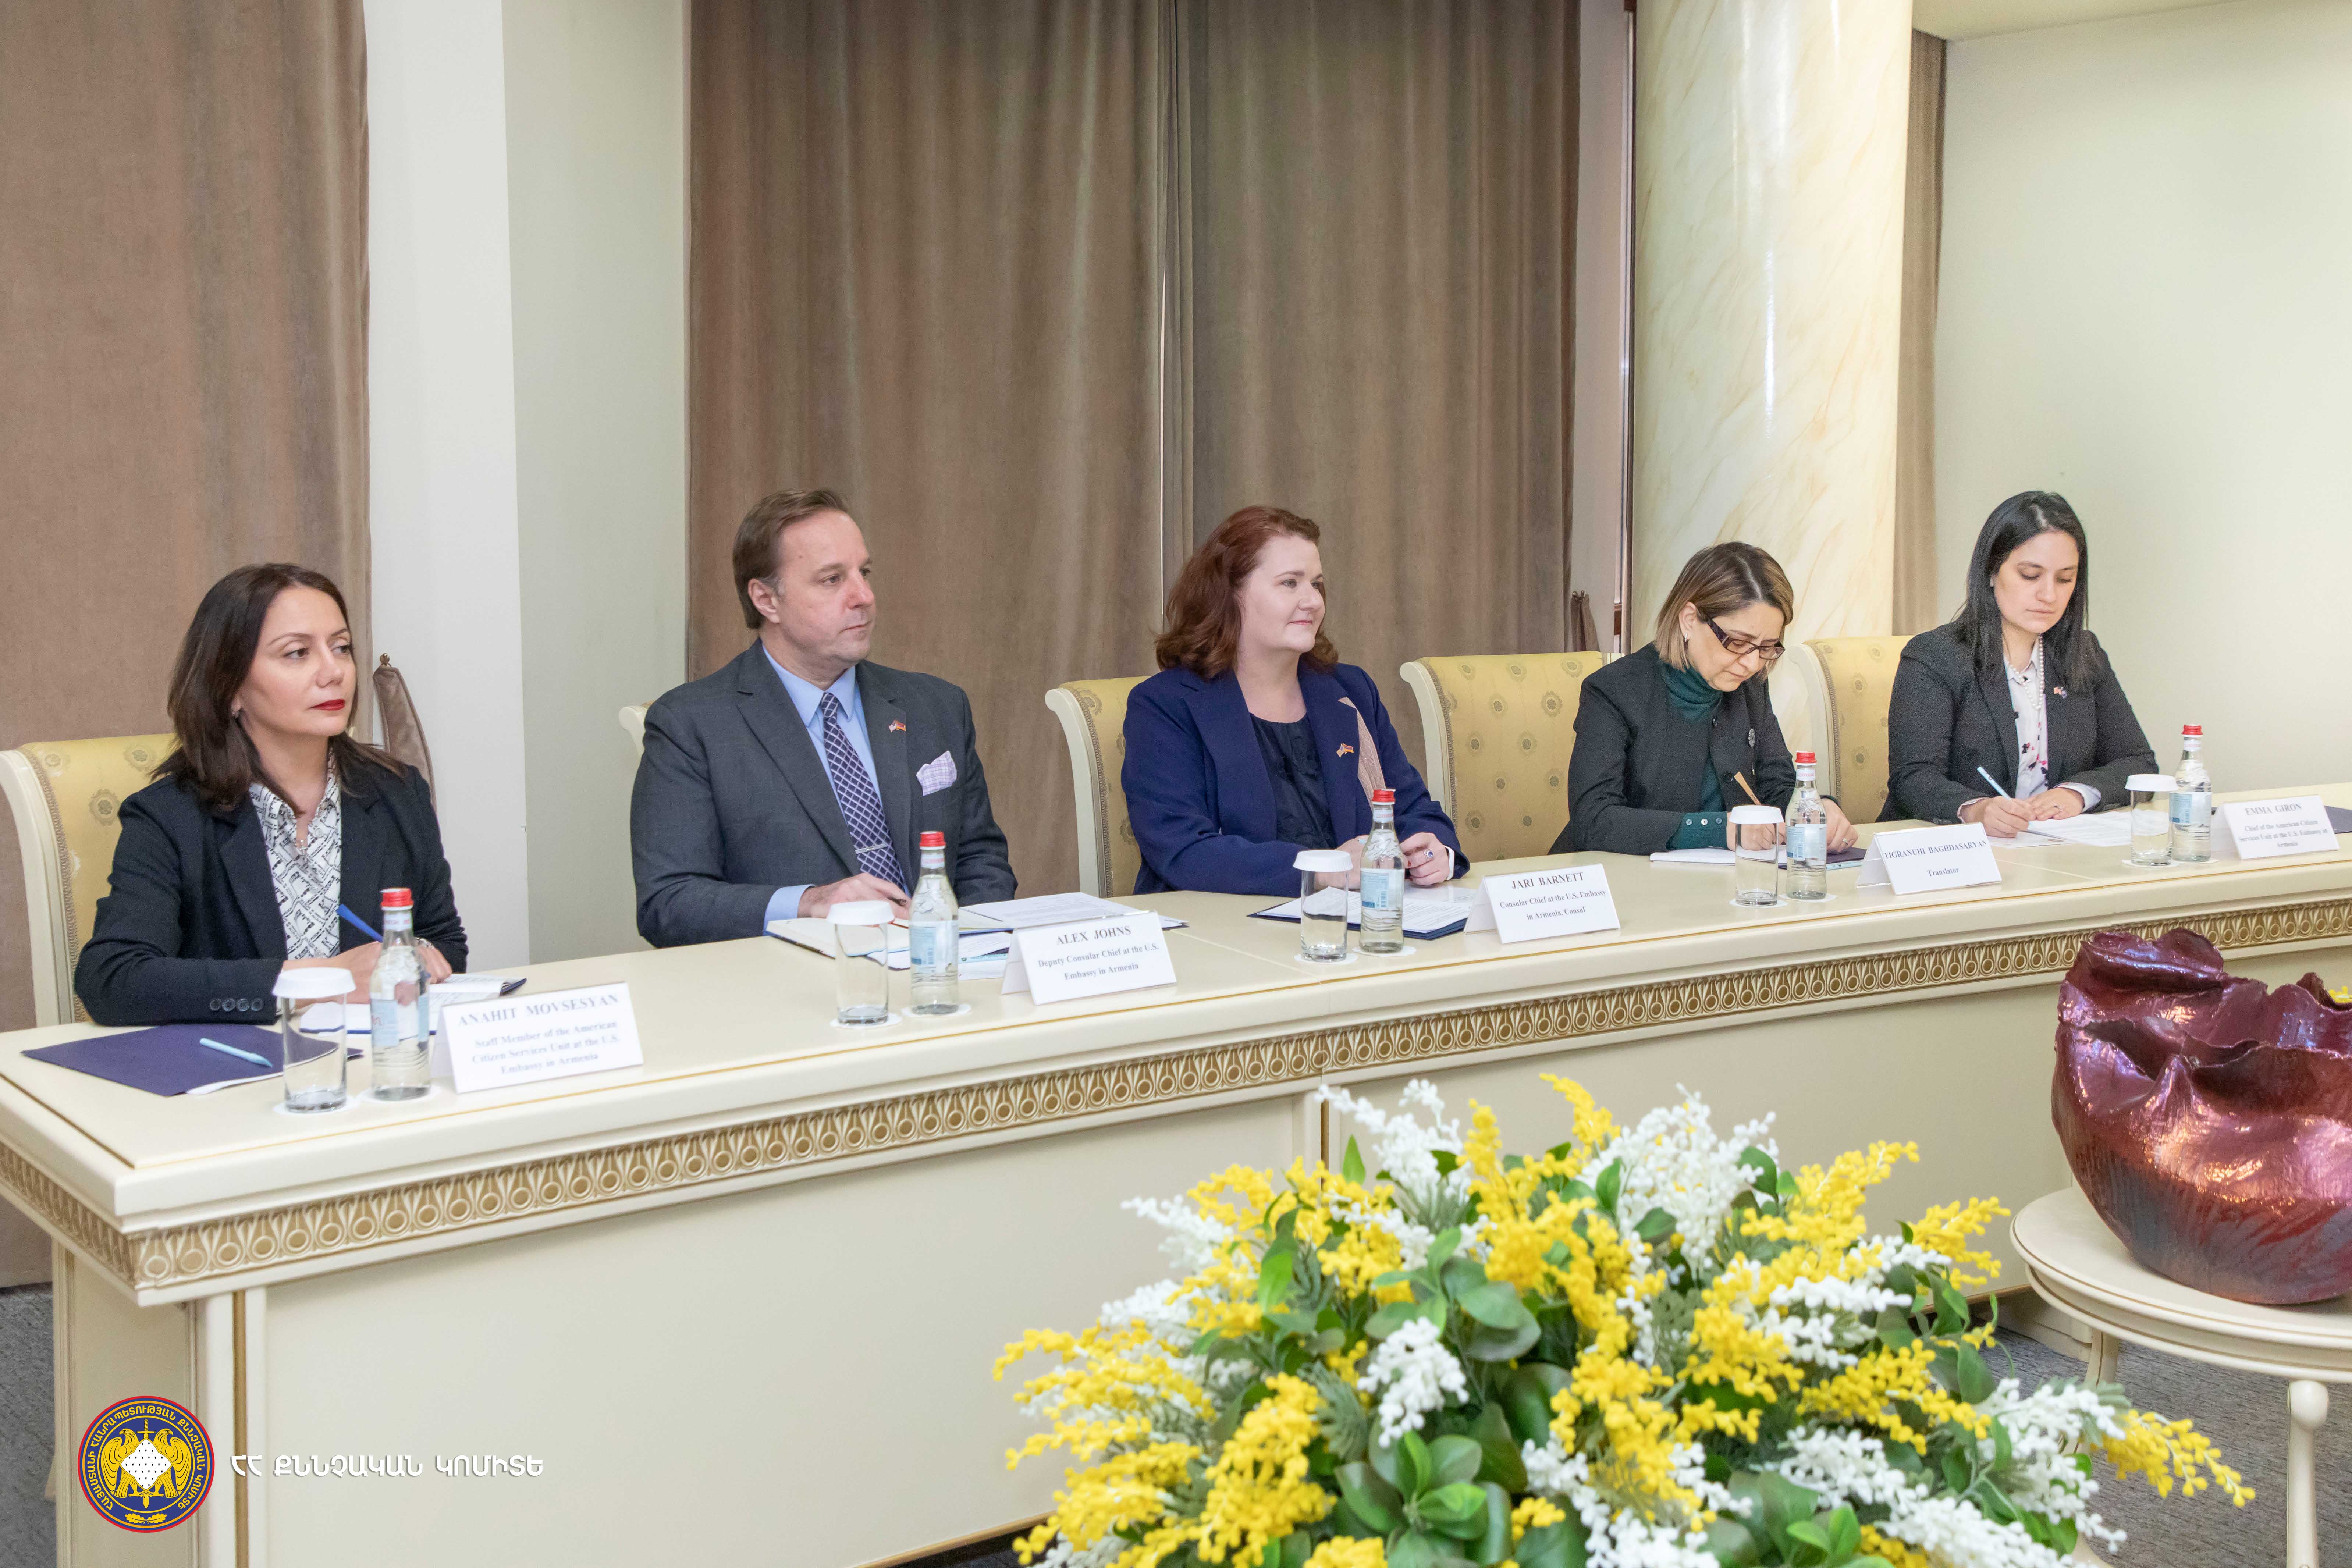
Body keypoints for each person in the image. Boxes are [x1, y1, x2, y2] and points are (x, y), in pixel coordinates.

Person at [75, 565, 465, 1026]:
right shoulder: (170, 815)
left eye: (341, 648)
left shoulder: (397, 792)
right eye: (297, 653)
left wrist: (416, 956)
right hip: (237, 1064)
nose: (333, 672)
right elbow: (114, 979)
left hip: (375, 1056)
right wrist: (324, 979)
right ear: (230, 687)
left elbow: (445, 942)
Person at [631, 488, 1015, 946]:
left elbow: (980, 859)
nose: (864, 596)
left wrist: (959, 946)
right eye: (832, 579)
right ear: (766, 600)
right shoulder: (692, 724)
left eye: (864, 573)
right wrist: (809, 903)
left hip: (941, 969)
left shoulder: (935, 705)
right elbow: (669, 904)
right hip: (791, 977)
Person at [1123, 505, 1465, 897]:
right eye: (1290, 583)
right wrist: (1324, 870)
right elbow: (1184, 851)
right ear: (1229, 593)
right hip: (1223, 923)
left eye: (1316, 584)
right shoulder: (1165, 705)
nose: (1313, 601)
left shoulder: (1350, 690)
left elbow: (1412, 809)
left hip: (1354, 920)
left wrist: (1435, 851)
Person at [1560, 541, 1857, 856]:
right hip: (1625, 877)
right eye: (1738, 642)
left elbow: (1776, 787)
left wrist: (1816, 809)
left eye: (1767, 647)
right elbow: (1593, 820)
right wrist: (1716, 828)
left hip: (1722, 880)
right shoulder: (1612, 690)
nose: (1752, 664)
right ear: (1690, 619)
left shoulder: (1751, 686)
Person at [1883, 490, 2154, 834]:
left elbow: (2138, 763)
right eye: (2030, 575)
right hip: (1948, 848)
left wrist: (2076, 794)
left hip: (2048, 849)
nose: (2049, 595)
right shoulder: (1935, 656)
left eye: (2065, 579)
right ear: (1991, 571)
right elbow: (1913, 777)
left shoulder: (2085, 653)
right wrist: (1976, 809)